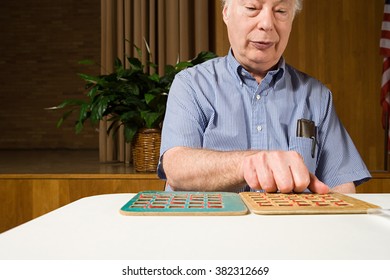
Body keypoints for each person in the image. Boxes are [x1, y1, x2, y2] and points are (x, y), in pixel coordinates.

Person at [157, 0, 371, 194]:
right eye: (252, 8)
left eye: (280, 11)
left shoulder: (317, 95)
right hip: (212, 232)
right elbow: (176, 167)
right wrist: (252, 163)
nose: (267, 24)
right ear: (226, 13)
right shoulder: (191, 84)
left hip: (292, 233)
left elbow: (342, 185)